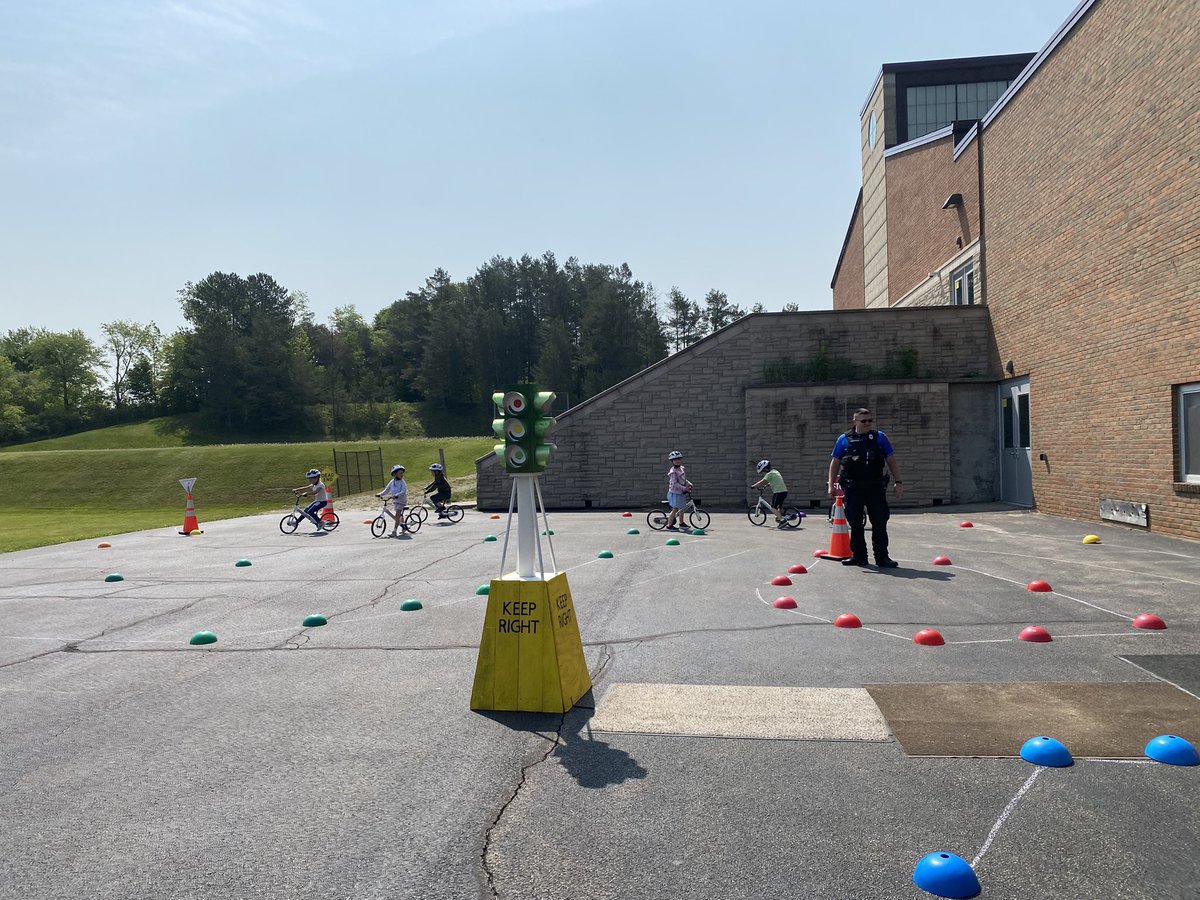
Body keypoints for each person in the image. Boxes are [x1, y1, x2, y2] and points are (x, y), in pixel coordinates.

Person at [827, 408, 903, 567]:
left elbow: (891, 459)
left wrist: (898, 482)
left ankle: (882, 557)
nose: (868, 423)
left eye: (870, 420)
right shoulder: (844, 439)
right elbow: (835, 462)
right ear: (855, 421)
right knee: (855, 522)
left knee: (880, 522)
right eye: (864, 421)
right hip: (853, 487)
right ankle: (859, 556)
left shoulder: (879, 437)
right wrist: (831, 484)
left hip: (875, 486)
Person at [751, 459, 789, 528]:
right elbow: (774, 480)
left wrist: (754, 486)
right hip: (784, 491)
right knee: (779, 506)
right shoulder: (775, 472)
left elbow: (762, 481)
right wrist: (768, 484)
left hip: (778, 492)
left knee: (772, 507)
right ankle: (784, 516)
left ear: (764, 469)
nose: (763, 474)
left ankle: (782, 521)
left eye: (762, 472)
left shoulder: (769, 474)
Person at [664, 450, 694, 531]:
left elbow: (683, 480)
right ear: (672, 461)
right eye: (675, 460)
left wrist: (688, 483)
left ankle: (681, 523)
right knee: (675, 508)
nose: (677, 461)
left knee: (682, 508)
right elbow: (675, 484)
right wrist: (684, 488)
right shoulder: (673, 472)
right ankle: (669, 525)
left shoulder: (681, 469)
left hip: (681, 492)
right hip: (675, 493)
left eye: (679, 459)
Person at [376, 464, 408, 536]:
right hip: (395, 501)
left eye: (402, 473)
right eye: (399, 473)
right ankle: (404, 526)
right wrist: (380, 494)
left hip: (401, 500)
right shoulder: (392, 482)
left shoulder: (403, 482)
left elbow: (403, 491)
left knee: (397, 515)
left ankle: (394, 531)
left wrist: (396, 495)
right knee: (399, 515)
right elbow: (386, 490)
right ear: (394, 474)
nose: (401, 474)